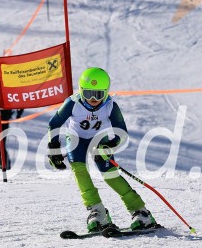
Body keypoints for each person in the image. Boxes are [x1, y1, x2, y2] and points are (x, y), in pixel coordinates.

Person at [46, 67, 157, 232]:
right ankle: (96, 211)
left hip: (99, 139)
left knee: (110, 174)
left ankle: (140, 211)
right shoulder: (73, 103)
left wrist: (110, 145)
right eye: (88, 93)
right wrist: (54, 148)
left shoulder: (110, 106)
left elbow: (122, 133)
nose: (93, 99)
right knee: (79, 170)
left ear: (106, 93)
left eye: (98, 94)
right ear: (81, 91)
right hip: (76, 138)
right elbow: (54, 124)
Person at [0, 85, 23, 169]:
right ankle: (3, 163)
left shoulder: (4, 101)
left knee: (1, 145)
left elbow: (19, 104)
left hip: (3, 127)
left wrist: (19, 114)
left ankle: (6, 165)